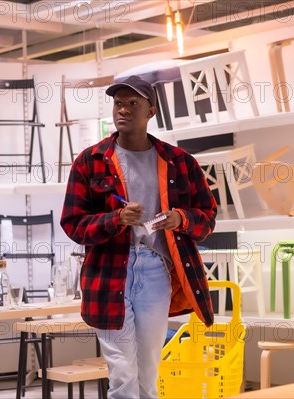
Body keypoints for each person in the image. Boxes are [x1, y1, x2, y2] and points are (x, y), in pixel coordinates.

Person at [60, 75, 218, 398]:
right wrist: (114, 219)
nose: (124, 110)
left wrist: (180, 219)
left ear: (152, 111)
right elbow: (72, 224)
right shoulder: (89, 162)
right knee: (122, 374)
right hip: (107, 275)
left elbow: (207, 218)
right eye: (119, 103)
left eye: (133, 104)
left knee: (148, 373)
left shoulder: (180, 163)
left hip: (155, 270)